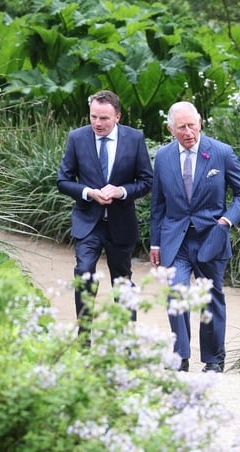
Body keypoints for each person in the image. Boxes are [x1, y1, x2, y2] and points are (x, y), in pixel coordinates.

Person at [149, 101, 240, 373]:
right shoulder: (162, 157)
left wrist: (226, 220)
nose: (188, 132)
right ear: (171, 129)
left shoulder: (221, 153)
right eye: (181, 127)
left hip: (211, 237)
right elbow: (158, 204)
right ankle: (180, 356)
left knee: (210, 296)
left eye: (192, 125)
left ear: (200, 123)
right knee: (177, 293)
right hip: (176, 239)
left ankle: (213, 360)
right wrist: (155, 242)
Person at [57, 90, 153, 338]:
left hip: (121, 222)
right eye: (93, 117)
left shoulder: (134, 139)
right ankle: (84, 336)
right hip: (88, 221)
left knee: (122, 281)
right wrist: (88, 192)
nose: (97, 123)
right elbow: (63, 181)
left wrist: (121, 191)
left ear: (117, 117)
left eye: (104, 119)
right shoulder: (77, 138)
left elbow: (146, 181)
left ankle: (126, 341)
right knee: (85, 273)